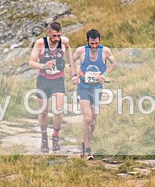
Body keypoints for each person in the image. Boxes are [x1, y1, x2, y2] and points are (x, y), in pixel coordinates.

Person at [28, 21, 75, 153]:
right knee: (43, 110)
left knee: (58, 110)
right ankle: (44, 138)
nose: (56, 39)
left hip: (58, 79)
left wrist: (73, 72)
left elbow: (69, 54)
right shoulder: (40, 43)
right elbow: (31, 63)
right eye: (54, 36)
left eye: (59, 35)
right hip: (43, 79)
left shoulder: (64, 42)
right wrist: (44, 66)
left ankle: (55, 137)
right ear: (48, 33)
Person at [72, 29, 116, 160]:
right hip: (83, 87)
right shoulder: (81, 51)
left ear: (99, 41)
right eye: (92, 43)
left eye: (96, 43)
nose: (94, 46)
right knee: (87, 118)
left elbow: (114, 63)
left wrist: (105, 74)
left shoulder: (105, 51)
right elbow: (71, 61)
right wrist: (74, 75)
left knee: (94, 120)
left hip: (97, 88)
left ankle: (85, 141)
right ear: (88, 42)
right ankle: (88, 149)